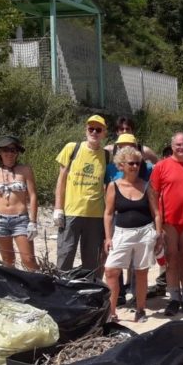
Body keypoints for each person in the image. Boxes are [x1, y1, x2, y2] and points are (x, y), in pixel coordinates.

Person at [103, 145, 161, 323]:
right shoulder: (113, 186)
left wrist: (158, 235)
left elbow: (156, 213)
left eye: (137, 163)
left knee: (141, 272)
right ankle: (112, 312)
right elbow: (108, 213)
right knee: (111, 270)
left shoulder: (146, 186)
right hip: (121, 233)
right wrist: (108, 236)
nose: (135, 167)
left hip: (144, 233)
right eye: (131, 163)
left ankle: (141, 309)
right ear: (121, 165)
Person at [150, 131, 183, 315]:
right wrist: (157, 223)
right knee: (172, 260)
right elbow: (153, 195)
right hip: (168, 222)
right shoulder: (161, 166)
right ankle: (174, 298)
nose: (181, 148)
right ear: (172, 146)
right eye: (178, 145)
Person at [53, 115, 109, 274]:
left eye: (98, 129)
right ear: (86, 130)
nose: (94, 132)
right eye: (91, 128)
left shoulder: (106, 156)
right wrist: (58, 208)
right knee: (65, 254)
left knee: (92, 261)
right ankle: (62, 290)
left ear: (104, 133)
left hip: (96, 215)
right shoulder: (72, 148)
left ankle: (90, 293)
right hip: (71, 212)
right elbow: (61, 180)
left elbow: (107, 186)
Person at [0, 135, 38, 270]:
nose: (9, 153)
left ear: (17, 152)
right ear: (0, 152)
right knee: (8, 260)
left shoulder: (25, 170)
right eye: (6, 150)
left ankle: (38, 286)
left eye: (13, 150)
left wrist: (33, 222)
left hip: (20, 219)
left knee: (28, 259)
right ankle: (13, 288)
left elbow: (33, 196)